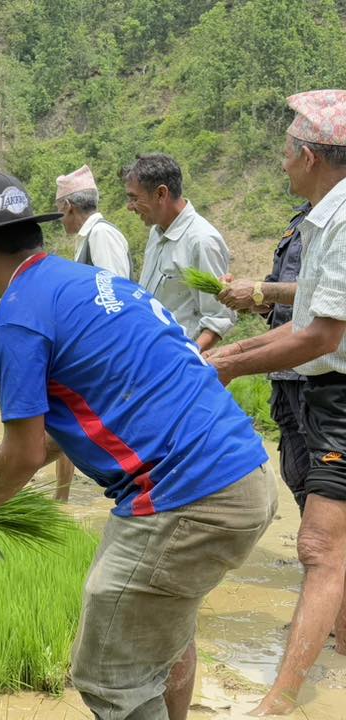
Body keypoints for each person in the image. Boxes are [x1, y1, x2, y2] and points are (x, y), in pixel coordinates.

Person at [0, 170, 275, 720]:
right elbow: (56, 435)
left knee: (109, 673)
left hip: (184, 498)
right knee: (160, 636)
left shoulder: (18, 317)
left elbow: (21, 453)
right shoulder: (93, 284)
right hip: (245, 474)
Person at [206, 90, 346, 716]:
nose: (281, 162)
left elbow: (320, 336)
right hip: (320, 391)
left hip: (340, 395)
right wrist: (228, 357)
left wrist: (228, 362)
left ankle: (282, 700)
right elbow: (304, 320)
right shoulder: (322, 219)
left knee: (319, 547)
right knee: (333, 547)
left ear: (310, 156)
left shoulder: (342, 220)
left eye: (287, 151)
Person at [217, 203, 311, 513]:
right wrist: (255, 300)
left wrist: (262, 291)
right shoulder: (299, 219)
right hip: (284, 371)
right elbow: (282, 302)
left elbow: (329, 294)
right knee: (300, 476)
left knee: (328, 483)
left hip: (316, 373)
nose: (286, 172)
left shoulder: (336, 217)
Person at [53, 164, 133, 501]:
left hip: (108, 352)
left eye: (60, 210)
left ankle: (128, 491)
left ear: (70, 206)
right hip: (93, 350)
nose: (61, 219)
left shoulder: (102, 236)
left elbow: (114, 296)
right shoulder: (89, 237)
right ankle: (62, 497)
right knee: (70, 419)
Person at [123, 153, 234, 352]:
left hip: (173, 358)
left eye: (134, 198)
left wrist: (186, 357)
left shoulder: (202, 241)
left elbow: (218, 317)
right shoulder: (156, 232)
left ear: (160, 194)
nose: (129, 207)